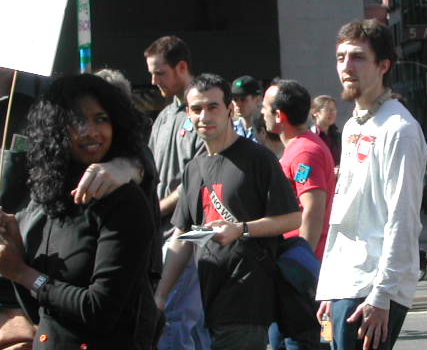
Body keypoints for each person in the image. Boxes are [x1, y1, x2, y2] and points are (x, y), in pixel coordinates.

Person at [0, 74, 160, 349]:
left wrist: (22, 272)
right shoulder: (49, 198)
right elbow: (41, 309)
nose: (91, 131)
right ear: (54, 129)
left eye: (101, 118)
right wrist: (17, 249)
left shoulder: (122, 200)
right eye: (77, 121)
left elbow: (99, 311)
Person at [154, 73, 301, 350]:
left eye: (213, 107)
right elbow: (183, 235)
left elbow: (293, 218)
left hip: (248, 298)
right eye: (196, 109)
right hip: (205, 301)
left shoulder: (257, 158)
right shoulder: (193, 169)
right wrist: (161, 295)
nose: (204, 116)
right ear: (187, 113)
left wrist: (242, 229)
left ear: (230, 110)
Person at [315, 19, 427, 350]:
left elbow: (402, 218)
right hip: (345, 284)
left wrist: (383, 294)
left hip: (374, 285)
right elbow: (347, 213)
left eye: (358, 57)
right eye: (340, 57)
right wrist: (330, 288)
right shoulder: (352, 124)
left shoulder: (399, 129)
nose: (346, 66)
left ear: (383, 66)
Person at [144, 35, 210, 350]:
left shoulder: (204, 116)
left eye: (160, 73)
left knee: (176, 320)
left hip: (188, 236)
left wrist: (157, 208)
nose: (153, 81)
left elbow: (197, 180)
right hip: (158, 238)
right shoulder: (164, 116)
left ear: (182, 67)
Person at [263, 80, 337, 350]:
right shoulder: (297, 148)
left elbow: (313, 210)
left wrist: (300, 271)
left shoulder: (305, 151)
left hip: (297, 275)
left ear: (279, 116)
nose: (262, 113)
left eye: (265, 108)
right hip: (286, 270)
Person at [309, 95, 341, 167]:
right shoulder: (309, 138)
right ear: (315, 112)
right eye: (328, 109)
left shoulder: (338, 137)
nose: (332, 113)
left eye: (334, 109)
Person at [231, 75, 262, 143]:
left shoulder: (266, 130)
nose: (237, 104)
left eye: (243, 99)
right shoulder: (230, 129)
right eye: (235, 99)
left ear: (257, 100)